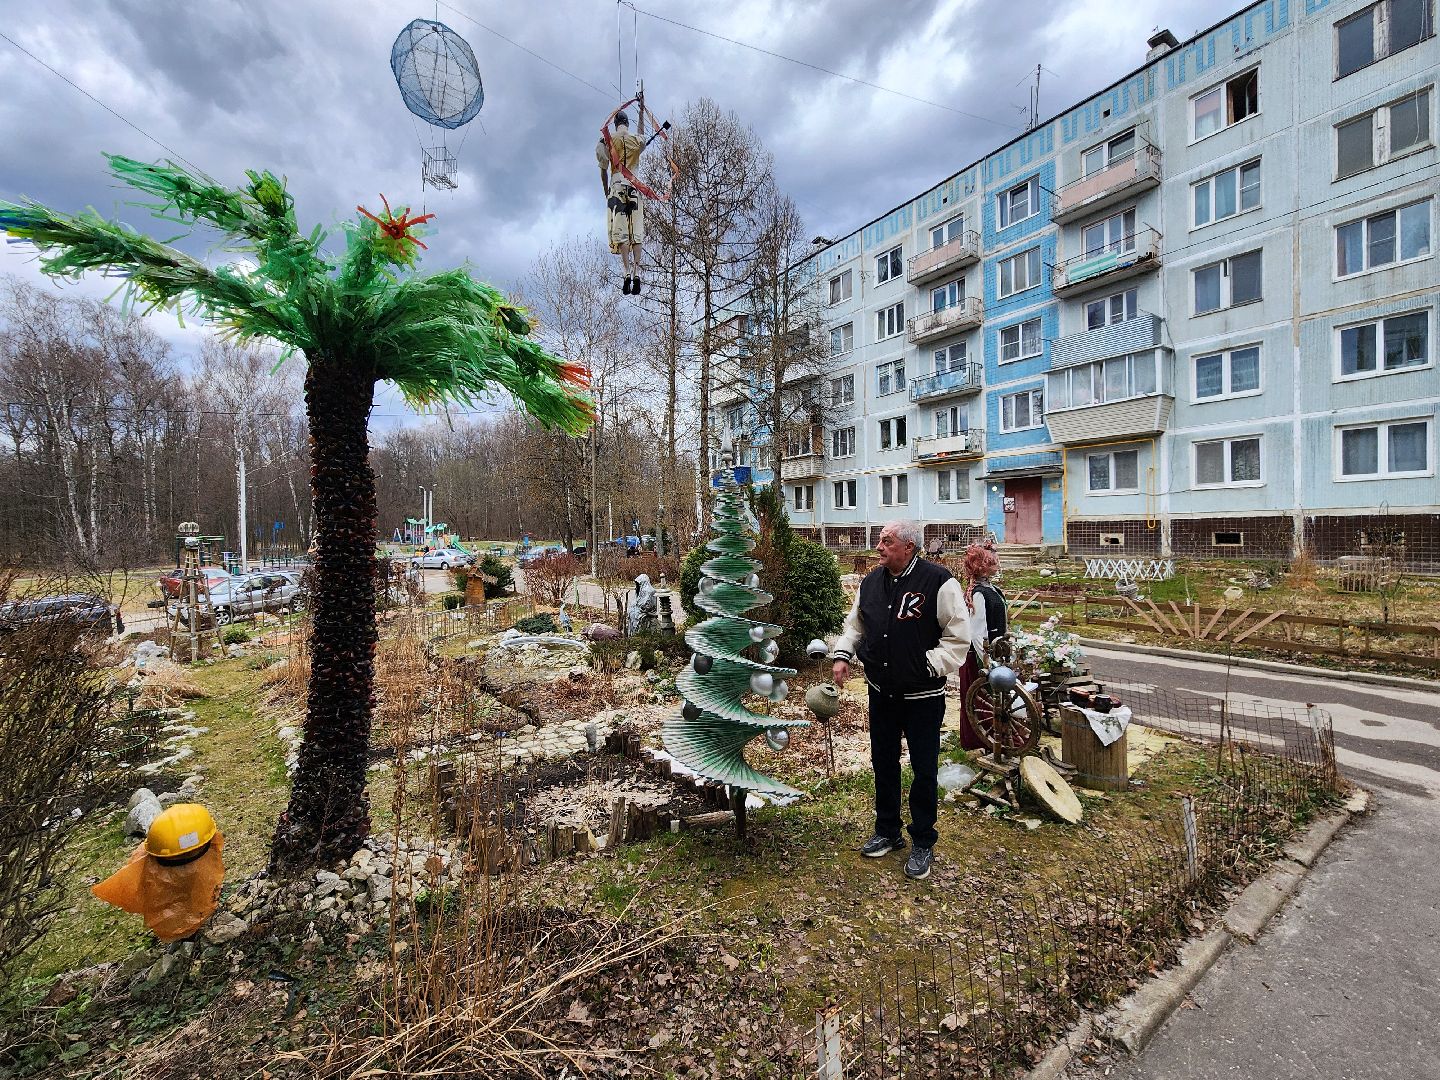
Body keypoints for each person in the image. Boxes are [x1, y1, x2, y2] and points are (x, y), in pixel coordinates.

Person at [831, 520, 971, 880]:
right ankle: (888, 831)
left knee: (924, 770)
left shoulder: (939, 582)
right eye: (879, 540)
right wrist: (844, 655)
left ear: (909, 546)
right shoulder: (871, 583)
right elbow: (855, 627)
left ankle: (923, 840)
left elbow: (958, 638)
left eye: (887, 541)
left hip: (923, 697)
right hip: (882, 695)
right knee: (884, 764)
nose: (879, 547)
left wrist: (926, 665)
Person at [955, 542, 1008, 750]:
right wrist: (987, 663)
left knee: (993, 699)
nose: (998, 564)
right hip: (979, 657)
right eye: (993, 561)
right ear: (982, 566)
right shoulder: (978, 593)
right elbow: (977, 634)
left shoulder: (991, 589)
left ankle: (996, 737)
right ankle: (978, 742)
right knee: (979, 699)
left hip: (995, 652)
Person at [596, 110, 649, 295]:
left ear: (615, 123)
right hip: (634, 185)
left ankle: (626, 272)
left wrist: (606, 192)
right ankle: (636, 271)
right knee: (637, 231)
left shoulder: (607, 141)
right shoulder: (636, 140)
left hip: (616, 185)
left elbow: (603, 168)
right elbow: (642, 134)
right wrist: (641, 111)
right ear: (627, 122)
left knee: (622, 232)